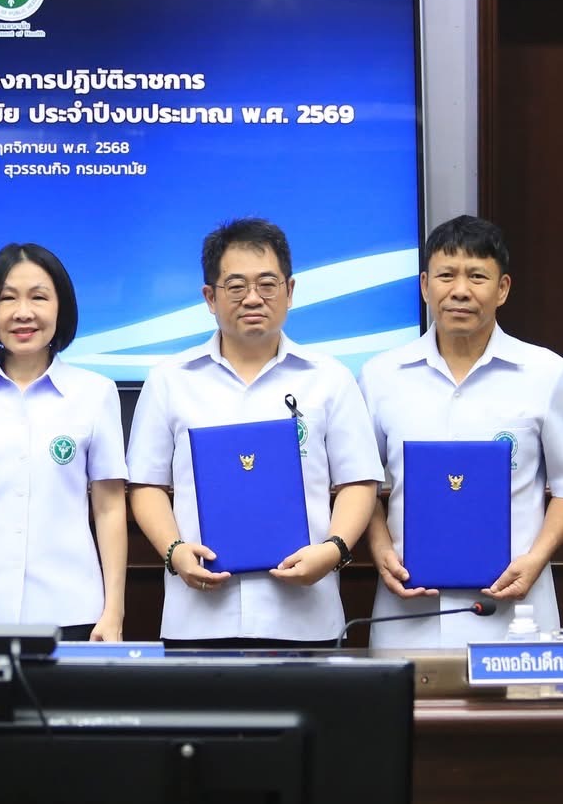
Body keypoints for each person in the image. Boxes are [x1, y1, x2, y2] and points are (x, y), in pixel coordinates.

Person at [127, 217, 382, 647]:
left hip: (304, 617)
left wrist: (334, 549)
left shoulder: (330, 378)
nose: (252, 298)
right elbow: (146, 484)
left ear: (290, 291)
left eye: (267, 284)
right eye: (235, 286)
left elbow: (359, 480)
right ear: (210, 297)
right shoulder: (170, 380)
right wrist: (174, 552)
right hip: (199, 617)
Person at [359, 215, 563, 647]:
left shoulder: (546, 374)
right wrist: (380, 548)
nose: (460, 290)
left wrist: (536, 558)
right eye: (446, 275)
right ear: (425, 285)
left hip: (514, 613)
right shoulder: (380, 376)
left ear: (502, 288)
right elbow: (361, 483)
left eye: (477, 276)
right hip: (409, 609)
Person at [0, 243, 127, 643]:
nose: (23, 312)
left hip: (72, 609)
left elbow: (109, 507)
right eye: (8, 298)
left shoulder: (96, 393)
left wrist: (113, 611)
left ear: (61, 308)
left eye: (39, 297)